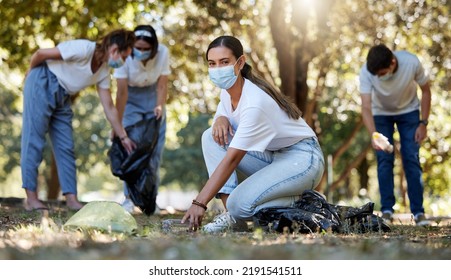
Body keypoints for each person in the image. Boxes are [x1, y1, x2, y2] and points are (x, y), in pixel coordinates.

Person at [181, 35, 325, 232]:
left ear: (240, 63)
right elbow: (224, 116)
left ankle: (304, 200)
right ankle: (233, 217)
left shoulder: (255, 102)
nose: (217, 69)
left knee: (240, 205)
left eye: (224, 62)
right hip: (274, 157)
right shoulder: (228, 91)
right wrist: (220, 118)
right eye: (211, 63)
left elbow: (232, 159)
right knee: (210, 137)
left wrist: (199, 203)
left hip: (303, 160)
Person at [21, 29, 137, 211]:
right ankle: (31, 198)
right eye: (125, 55)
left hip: (63, 95)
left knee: (66, 146)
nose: (125, 61)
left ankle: (72, 199)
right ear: (114, 49)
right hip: (42, 81)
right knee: (34, 140)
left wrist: (123, 136)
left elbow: (109, 107)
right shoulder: (83, 48)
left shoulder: (104, 72)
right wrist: (30, 74)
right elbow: (40, 54)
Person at [359, 44, 432, 226]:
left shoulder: (411, 62)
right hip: (381, 114)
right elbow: (366, 107)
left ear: (392, 63)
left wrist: (423, 123)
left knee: (411, 157)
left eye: (382, 74)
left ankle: (418, 212)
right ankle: (386, 211)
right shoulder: (367, 71)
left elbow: (426, 90)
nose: (379, 78)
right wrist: (374, 134)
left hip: (409, 112)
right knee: (384, 159)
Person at [113, 25, 171, 214]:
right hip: (130, 101)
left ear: (154, 47)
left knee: (154, 153)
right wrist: (118, 124)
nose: (142, 52)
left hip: (153, 99)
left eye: (147, 49)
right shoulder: (124, 56)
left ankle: (150, 201)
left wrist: (160, 105)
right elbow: (121, 93)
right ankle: (129, 199)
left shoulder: (163, 53)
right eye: (138, 47)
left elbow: (162, 85)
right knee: (132, 150)